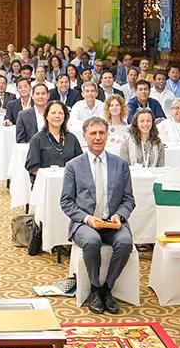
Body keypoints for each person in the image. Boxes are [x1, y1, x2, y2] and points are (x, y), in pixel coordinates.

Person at [60, 117, 134, 314]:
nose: (98, 137)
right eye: (93, 133)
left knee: (125, 242)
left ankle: (106, 289)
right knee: (92, 241)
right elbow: (66, 202)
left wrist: (120, 215)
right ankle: (94, 288)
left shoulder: (120, 164)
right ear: (84, 136)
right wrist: (87, 218)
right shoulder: (73, 166)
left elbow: (128, 199)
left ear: (107, 135)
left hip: (113, 222)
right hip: (85, 223)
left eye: (102, 133)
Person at [25, 101, 83, 182]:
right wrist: (52, 177)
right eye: (53, 113)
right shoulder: (37, 139)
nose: (57, 116)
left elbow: (80, 164)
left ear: (65, 117)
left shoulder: (72, 138)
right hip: (45, 184)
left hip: (69, 183)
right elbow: (33, 168)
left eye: (60, 113)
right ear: (46, 116)